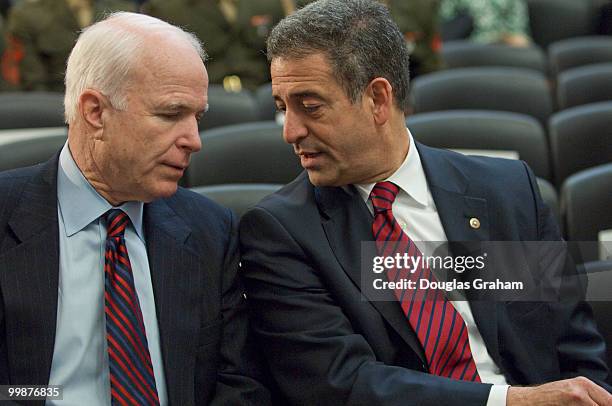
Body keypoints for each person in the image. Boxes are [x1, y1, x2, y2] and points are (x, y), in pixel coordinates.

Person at [239, 0, 612, 405]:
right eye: (282, 109)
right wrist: (509, 402)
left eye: (310, 107)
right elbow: (341, 383)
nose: (290, 132)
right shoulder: (283, 231)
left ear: (378, 99)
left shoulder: (505, 190)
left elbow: (573, 343)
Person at [0, 12, 270, 405]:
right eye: (171, 114)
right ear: (96, 112)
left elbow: (238, 384)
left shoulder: (211, 229)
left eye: (197, 117)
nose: (194, 140)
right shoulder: (6, 212)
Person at [142, 0, 289, 91]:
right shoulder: (166, 9)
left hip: (262, 91)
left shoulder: (269, 3)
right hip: (206, 95)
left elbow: (280, 55)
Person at [1, 0, 136, 91]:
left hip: (117, 106)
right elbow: (33, 83)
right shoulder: (29, 16)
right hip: (55, 111)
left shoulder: (126, 13)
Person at [439, 0, 532, 47]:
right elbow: (442, 31)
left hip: (504, 47)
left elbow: (521, 39)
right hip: (465, 49)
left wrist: (502, 38)